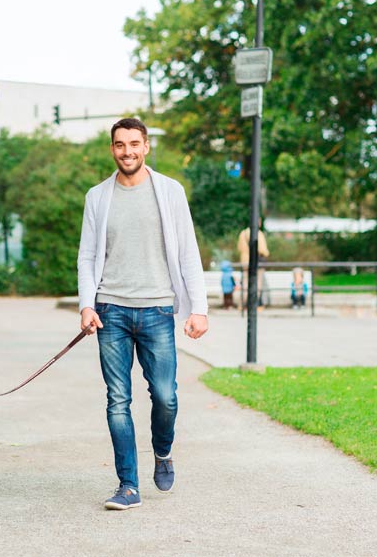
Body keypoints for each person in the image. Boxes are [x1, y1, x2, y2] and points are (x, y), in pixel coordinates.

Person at [78, 118, 208, 511]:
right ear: (112, 149)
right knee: (118, 399)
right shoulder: (98, 197)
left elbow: (188, 252)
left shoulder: (169, 191)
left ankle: (163, 451)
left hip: (157, 310)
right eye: (120, 144)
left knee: (165, 397)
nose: (127, 151)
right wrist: (87, 303)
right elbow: (86, 256)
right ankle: (128, 486)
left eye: (134, 143)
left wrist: (198, 309)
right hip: (111, 311)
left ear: (147, 146)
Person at [237, 219, 270, 308]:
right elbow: (262, 249)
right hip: (256, 262)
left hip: (244, 261)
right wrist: (266, 253)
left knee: (245, 283)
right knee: (257, 283)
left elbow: (239, 247)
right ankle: (253, 304)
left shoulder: (243, 233)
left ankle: (244, 304)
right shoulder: (258, 233)